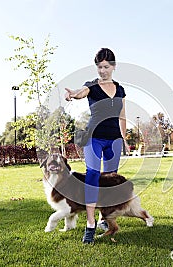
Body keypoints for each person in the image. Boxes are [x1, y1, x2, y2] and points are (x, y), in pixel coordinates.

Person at [64, 48, 130, 244]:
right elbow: (81, 92)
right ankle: (90, 224)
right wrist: (73, 94)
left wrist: (124, 138)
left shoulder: (120, 89)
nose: (102, 71)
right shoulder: (91, 86)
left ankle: (104, 219)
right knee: (92, 177)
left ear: (114, 66)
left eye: (106, 67)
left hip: (114, 140)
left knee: (110, 181)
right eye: (99, 67)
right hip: (94, 138)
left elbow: (122, 115)